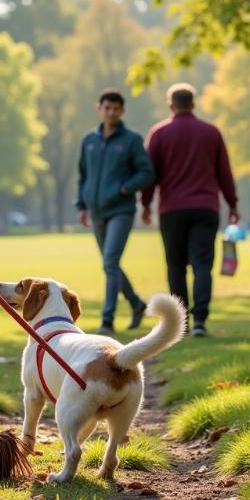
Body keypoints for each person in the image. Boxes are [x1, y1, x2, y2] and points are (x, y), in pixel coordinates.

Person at [141, 83, 239, 337]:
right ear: (193, 104)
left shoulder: (159, 133)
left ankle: (180, 322)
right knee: (202, 264)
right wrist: (233, 203)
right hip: (206, 207)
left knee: (175, 266)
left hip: (172, 209)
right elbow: (224, 172)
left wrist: (145, 203)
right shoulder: (211, 133)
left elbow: (150, 174)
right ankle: (201, 321)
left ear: (171, 104)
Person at [76, 89, 155, 335]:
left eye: (116, 108)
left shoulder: (131, 140)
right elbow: (83, 176)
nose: (111, 112)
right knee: (111, 264)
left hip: (121, 209)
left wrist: (125, 188)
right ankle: (136, 303)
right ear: (98, 108)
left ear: (122, 111)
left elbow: (146, 172)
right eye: (107, 107)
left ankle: (107, 320)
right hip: (96, 211)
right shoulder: (89, 140)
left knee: (110, 262)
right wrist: (81, 205)